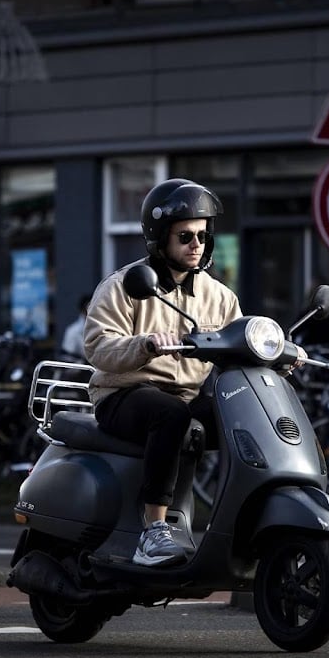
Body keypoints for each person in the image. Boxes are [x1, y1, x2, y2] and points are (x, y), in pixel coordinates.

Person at [82, 178, 244, 567]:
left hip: (186, 396)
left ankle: (240, 519)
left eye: (203, 236)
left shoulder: (219, 295)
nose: (196, 245)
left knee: (242, 415)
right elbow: (97, 347)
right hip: (123, 394)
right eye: (185, 236)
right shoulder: (125, 285)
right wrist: (144, 345)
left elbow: (238, 340)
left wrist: (278, 355)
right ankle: (153, 531)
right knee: (170, 414)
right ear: (159, 238)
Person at [59, 293, 90, 361]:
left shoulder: (104, 326)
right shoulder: (73, 331)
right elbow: (66, 357)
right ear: (82, 310)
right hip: (81, 368)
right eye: (88, 310)